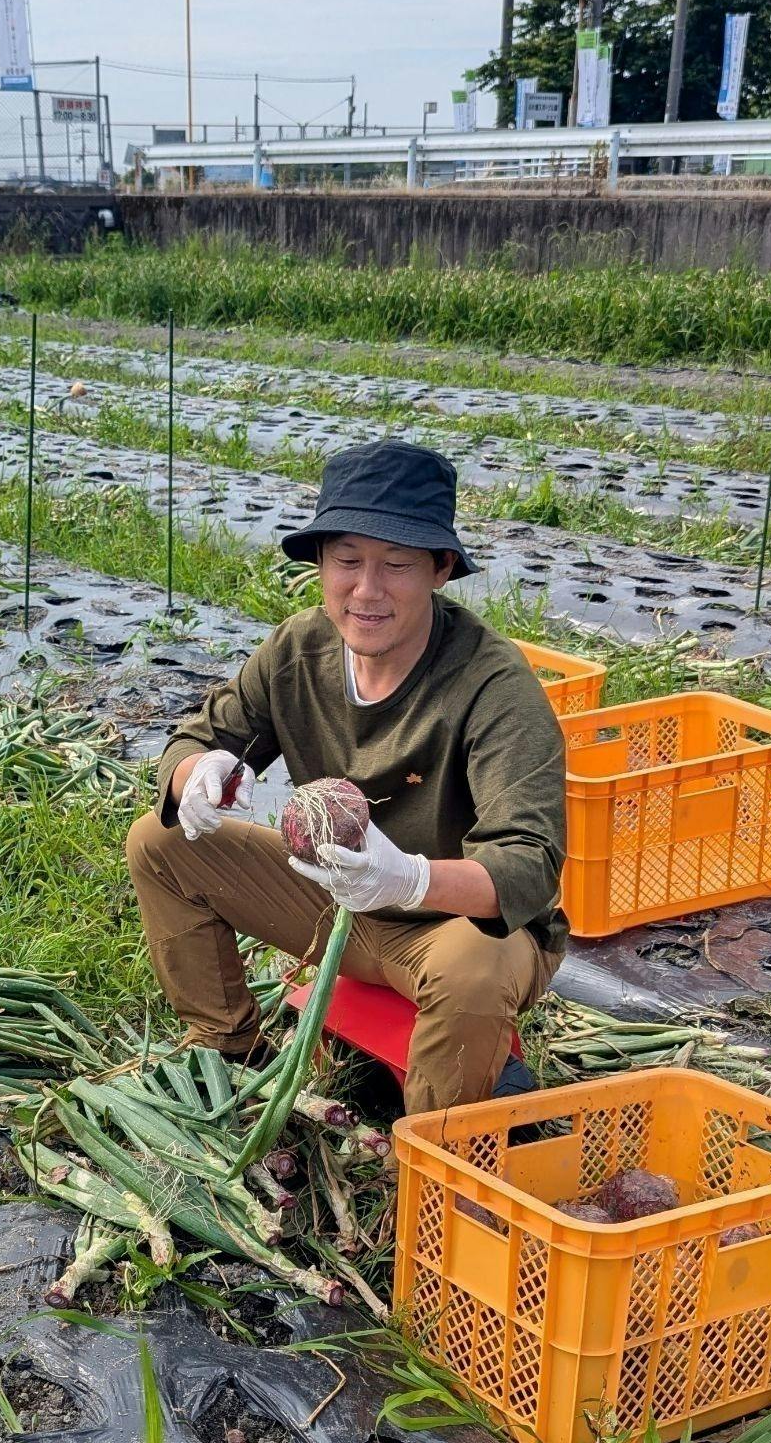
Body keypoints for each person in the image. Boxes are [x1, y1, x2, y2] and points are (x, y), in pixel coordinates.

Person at [126, 440, 568, 1117]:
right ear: (320, 563)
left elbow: (529, 865)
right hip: (337, 903)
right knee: (160, 845)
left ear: (441, 569)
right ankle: (226, 1050)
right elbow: (199, 738)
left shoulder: (492, 685)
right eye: (347, 560)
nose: (366, 589)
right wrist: (198, 772)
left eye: (396, 564)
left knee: (471, 971)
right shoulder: (300, 649)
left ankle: (430, 1149)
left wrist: (410, 879)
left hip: (450, 925)